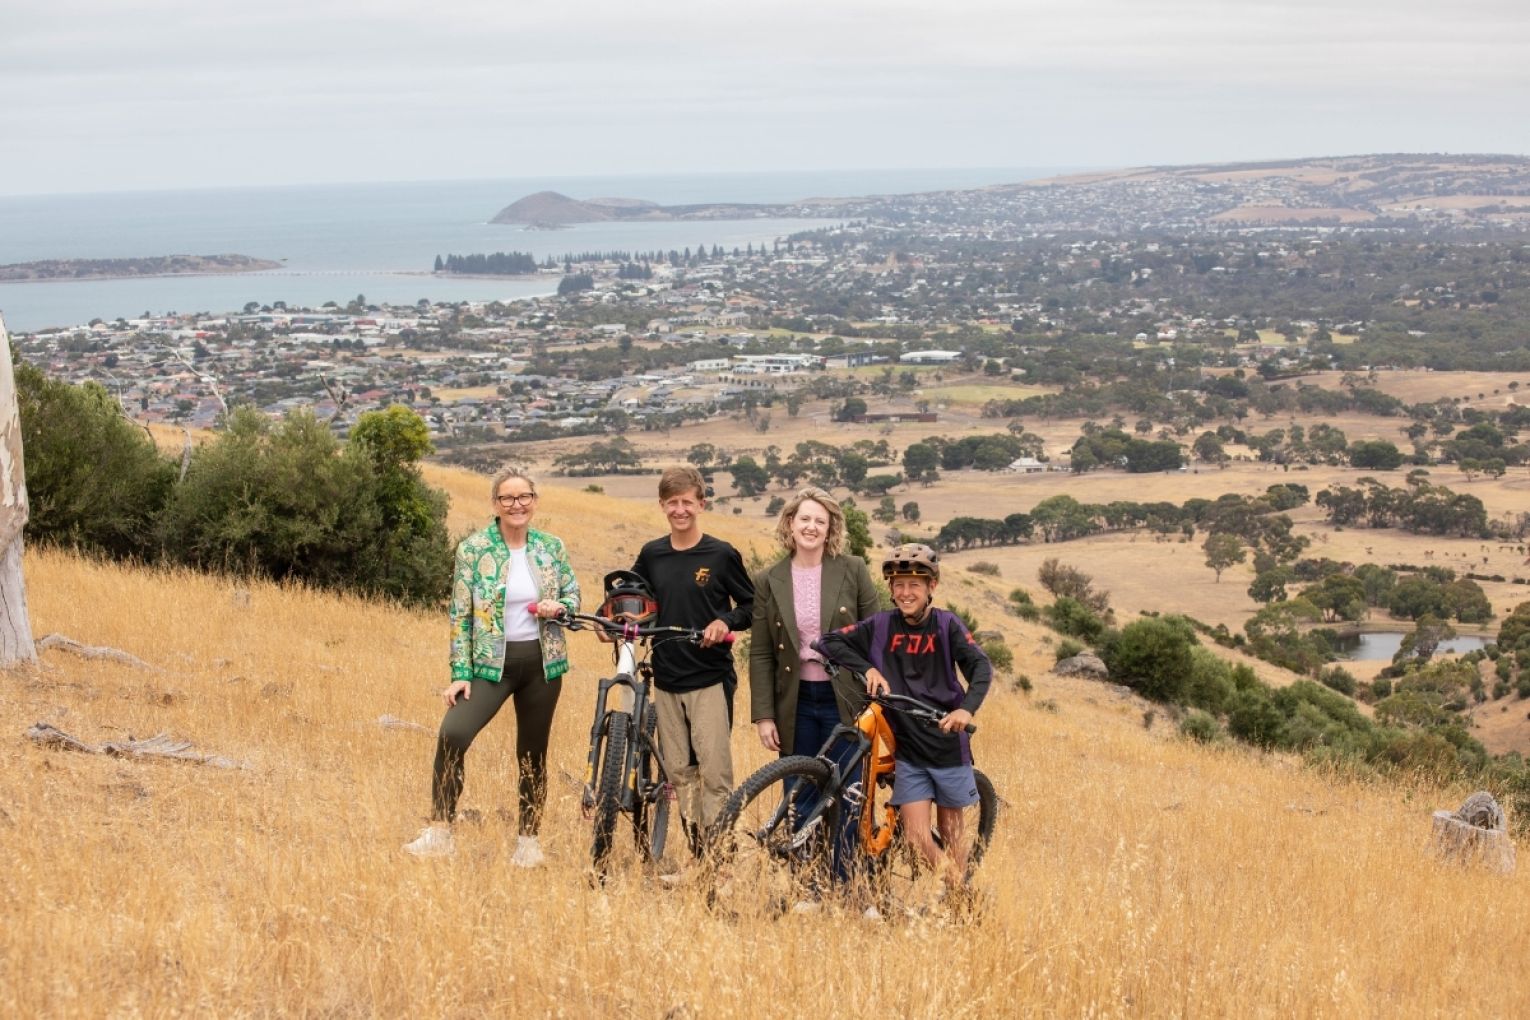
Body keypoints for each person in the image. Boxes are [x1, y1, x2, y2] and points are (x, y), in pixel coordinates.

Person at [403, 467, 580, 865]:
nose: (516, 505)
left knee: (532, 755)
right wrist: (459, 674)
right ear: (495, 504)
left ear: (534, 501)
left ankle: (528, 843)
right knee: (453, 734)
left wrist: (562, 606)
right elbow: (459, 616)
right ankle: (440, 832)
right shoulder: (473, 549)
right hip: (488, 667)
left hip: (543, 664)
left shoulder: (551, 547)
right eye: (507, 498)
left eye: (523, 497)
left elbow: (573, 593)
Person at [814, 543, 991, 891]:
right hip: (908, 750)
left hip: (946, 743)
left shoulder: (947, 625)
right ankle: (964, 894)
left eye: (914, 584)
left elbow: (980, 666)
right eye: (898, 584)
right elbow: (829, 641)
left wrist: (965, 709)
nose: (905, 592)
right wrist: (867, 670)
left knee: (953, 833)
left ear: (931, 587)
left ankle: (957, 904)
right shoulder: (881, 625)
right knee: (915, 837)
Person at [630, 465, 753, 856]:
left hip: (709, 677)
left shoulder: (720, 554)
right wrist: (616, 620)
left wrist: (724, 621)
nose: (680, 509)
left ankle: (721, 855)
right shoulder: (652, 554)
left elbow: (751, 606)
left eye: (687, 502)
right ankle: (699, 853)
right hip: (666, 678)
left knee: (714, 774)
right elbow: (633, 598)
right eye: (672, 503)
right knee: (681, 774)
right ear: (662, 506)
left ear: (701, 503)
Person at [750, 487, 880, 759]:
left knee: (846, 791)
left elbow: (875, 635)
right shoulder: (768, 580)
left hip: (845, 695)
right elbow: (761, 653)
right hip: (795, 700)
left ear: (830, 528)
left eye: (820, 521)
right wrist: (764, 716)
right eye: (805, 519)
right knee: (800, 792)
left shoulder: (854, 569)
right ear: (790, 523)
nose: (812, 527)